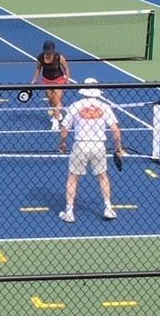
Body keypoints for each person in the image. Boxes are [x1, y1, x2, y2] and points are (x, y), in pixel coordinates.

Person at [58, 78, 124, 223]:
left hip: (80, 145)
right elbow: (116, 130)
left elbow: (65, 129)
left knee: (73, 177)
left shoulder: (75, 106)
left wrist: (62, 143)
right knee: (103, 176)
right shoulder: (105, 107)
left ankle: (69, 211)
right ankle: (108, 208)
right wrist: (118, 149)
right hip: (99, 146)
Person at [30, 40, 71, 130]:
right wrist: (34, 79)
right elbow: (38, 69)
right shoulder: (40, 58)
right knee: (51, 100)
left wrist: (67, 80)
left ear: (53, 50)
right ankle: (58, 114)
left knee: (56, 100)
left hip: (58, 80)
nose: (48, 52)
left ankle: (55, 120)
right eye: (47, 50)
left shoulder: (59, 57)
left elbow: (66, 68)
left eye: (50, 51)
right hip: (46, 80)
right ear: (44, 50)